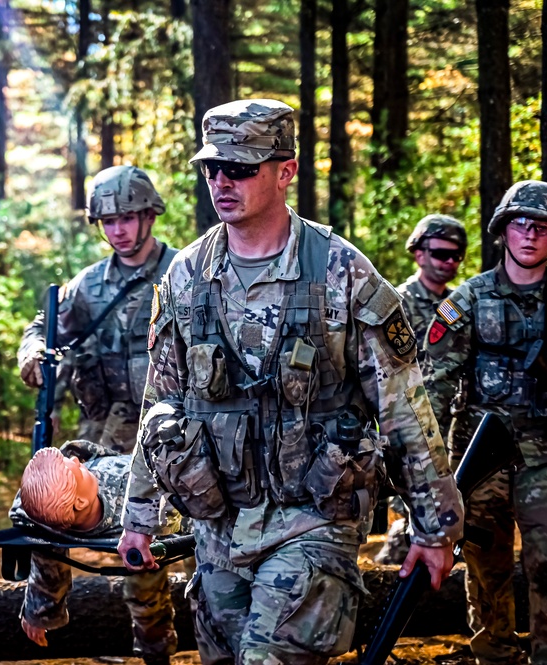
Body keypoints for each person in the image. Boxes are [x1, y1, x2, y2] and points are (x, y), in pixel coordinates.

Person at [117, 99, 464, 665]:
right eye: (212, 168)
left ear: (286, 171)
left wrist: (435, 526)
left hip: (315, 518)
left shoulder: (341, 271)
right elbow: (162, 404)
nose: (222, 182)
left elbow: (402, 406)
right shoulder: (186, 276)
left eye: (241, 168)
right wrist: (139, 519)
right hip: (218, 526)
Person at [426, 180, 547, 665]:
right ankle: (495, 653)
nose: (530, 235)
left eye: (543, 228)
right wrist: (427, 467)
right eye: (520, 224)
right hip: (480, 454)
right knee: (486, 567)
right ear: (503, 231)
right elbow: (436, 384)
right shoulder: (467, 300)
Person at [17, 165, 178, 451]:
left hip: (172, 432)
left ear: (150, 215)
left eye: (126, 218)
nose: (117, 231)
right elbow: (46, 330)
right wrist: (34, 352)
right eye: (107, 221)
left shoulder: (182, 272)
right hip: (103, 437)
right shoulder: (88, 285)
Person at [9, 441, 181, 665]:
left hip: (164, 484)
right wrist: (39, 613)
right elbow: (47, 568)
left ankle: (167, 648)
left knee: (163, 586)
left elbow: (82, 450)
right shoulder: (38, 512)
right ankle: (157, 655)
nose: (77, 461)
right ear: (80, 502)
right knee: (146, 592)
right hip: (141, 510)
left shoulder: (134, 494)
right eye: (79, 470)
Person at [376, 213, 468, 565]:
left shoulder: (458, 306)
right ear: (419, 253)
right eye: (441, 253)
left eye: (456, 256)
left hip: (454, 429)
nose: (449, 262)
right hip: (410, 430)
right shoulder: (395, 302)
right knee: (408, 525)